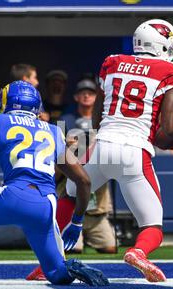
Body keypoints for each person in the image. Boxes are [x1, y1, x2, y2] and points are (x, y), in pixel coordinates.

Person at [27, 19, 173, 283]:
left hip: (102, 146)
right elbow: (167, 134)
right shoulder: (171, 70)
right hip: (134, 152)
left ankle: (46, 264)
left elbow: (96, 121)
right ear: (161, 44)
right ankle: (138, 252)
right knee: (152, 226)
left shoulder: (113, 62)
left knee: (71, 196)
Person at [0, 80, 109, 287]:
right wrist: (76, 223)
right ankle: (71, 267)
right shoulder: (54, 131)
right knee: (57, 274)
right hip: (46, 206)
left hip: (14, 196)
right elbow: (84, 181)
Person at [57, 78, 117, 255]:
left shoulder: (105, 120)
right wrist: (70, 148)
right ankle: (78, 237)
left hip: (97, 205)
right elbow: (58, 158)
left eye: (90, 93)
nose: (86, 96)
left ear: (96, 97)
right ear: (76, 97)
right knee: (72, 249)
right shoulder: (66, 120)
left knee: (110, 248)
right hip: (71, 199)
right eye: (82, 92)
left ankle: (89, 236)